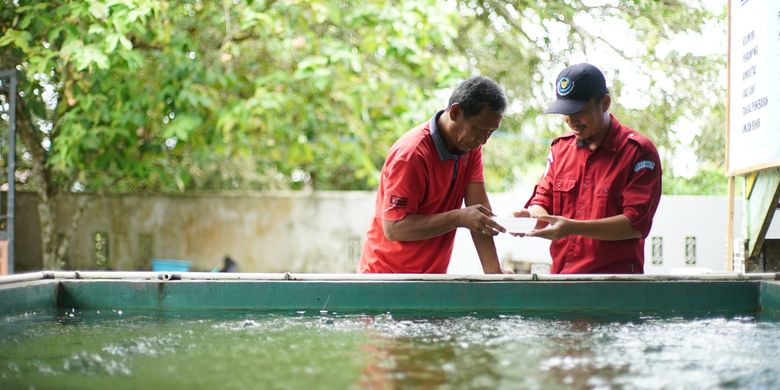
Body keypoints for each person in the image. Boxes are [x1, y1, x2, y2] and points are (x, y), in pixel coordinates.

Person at [515, 63, 662, 274]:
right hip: (563, 282)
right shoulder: (560, 150)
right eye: (565, 113)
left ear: (604, 103)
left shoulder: (638, 152)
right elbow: (542, 201)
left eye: (580, 111)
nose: (572, 121)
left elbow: (635, 225)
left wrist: (572, 227)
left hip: (616, 286)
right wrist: (529, 218)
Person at [359, 76, 509, 274]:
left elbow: (479, 215)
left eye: (490, 132)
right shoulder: (412, 154)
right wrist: (459, 218)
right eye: (479, 129)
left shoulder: (471, 148)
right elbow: (394, 228)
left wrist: (494, 274)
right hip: (385, 278)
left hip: (430, 280)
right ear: (455, 112)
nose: (483, 140)